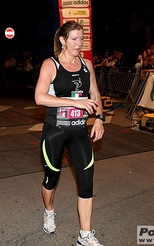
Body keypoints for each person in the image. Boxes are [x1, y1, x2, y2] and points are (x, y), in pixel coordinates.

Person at [34, 21, 104, 246]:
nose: (79, 43)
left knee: (86, 183)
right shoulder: (50, 64)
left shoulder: (87, 65)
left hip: (79, 133)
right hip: (55, 131)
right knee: (51, 178)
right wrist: (76, 102)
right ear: (63, 40)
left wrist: (99, 119)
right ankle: (49, 210)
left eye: (81, 39)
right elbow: (40, 97)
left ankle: (85, 235)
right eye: (74, 39)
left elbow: (95, 93)